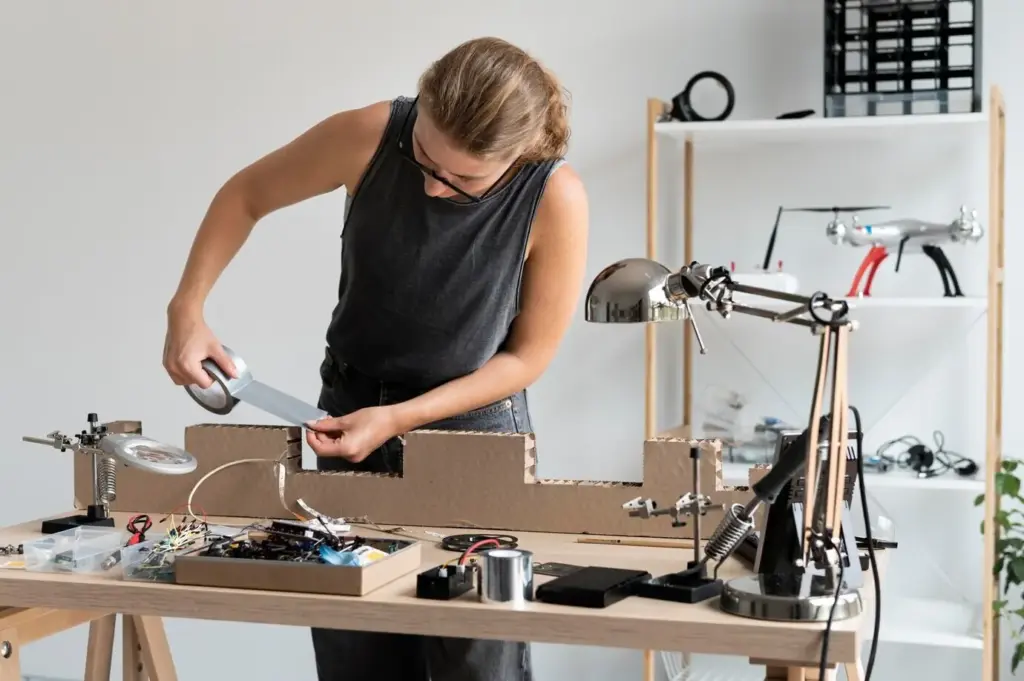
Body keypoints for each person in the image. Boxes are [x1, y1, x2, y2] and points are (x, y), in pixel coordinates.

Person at [162, 36, 589, 681]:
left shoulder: (555, 197)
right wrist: (187, 310)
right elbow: (246, 195)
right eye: (424, 158)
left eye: (464, 181)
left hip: (472, 440)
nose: (433, 186)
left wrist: (399, 420)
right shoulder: (370, 133)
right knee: (356, 648)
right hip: (348, 416)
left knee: (477, 658)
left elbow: (527, 358)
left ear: (519, 154)